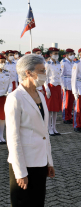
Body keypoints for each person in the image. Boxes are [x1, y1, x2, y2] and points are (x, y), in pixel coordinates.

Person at [5, 54, 55, 207]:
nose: (44, 74)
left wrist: (49, 161)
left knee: (38, 202)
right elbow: (13, 138)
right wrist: (20, 172)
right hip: (24, 163)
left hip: (40, 161)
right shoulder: (15, 98)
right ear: (28, 72)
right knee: (23, 203)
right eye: (41, 71)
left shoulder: (39, 94)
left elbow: (44, 133)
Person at [44, 47, 62, 136]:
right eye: (54, 53)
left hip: (58, 86)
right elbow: (45, 77)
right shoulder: (48, 64)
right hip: (51, 86)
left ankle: (54, 127)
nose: (56, 55)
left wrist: (62, 87)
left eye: (57, 53)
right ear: (50, 54)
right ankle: (49, 128)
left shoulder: (58, 63)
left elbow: (60, 76)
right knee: (50, 109)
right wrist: (46, 89)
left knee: (55, 110)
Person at [61, 48, 76, 124]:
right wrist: (63, 85)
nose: (72, 56)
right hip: (66, 83)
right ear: (66, 55)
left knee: (71, 102)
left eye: (73, 54)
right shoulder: (63, 62)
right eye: (70, 54)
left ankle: (69, 116)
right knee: (66, 102)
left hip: (72, 84)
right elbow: (61, 75)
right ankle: (65, 117)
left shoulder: (74, 62)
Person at [0, 53, 12, 144]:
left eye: (4, 62)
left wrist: (9, 91)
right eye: (1, 62)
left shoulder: (7, 72)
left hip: (4, 97)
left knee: (3, 118)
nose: (3, 63)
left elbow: (10, 84)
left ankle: (1, 136)